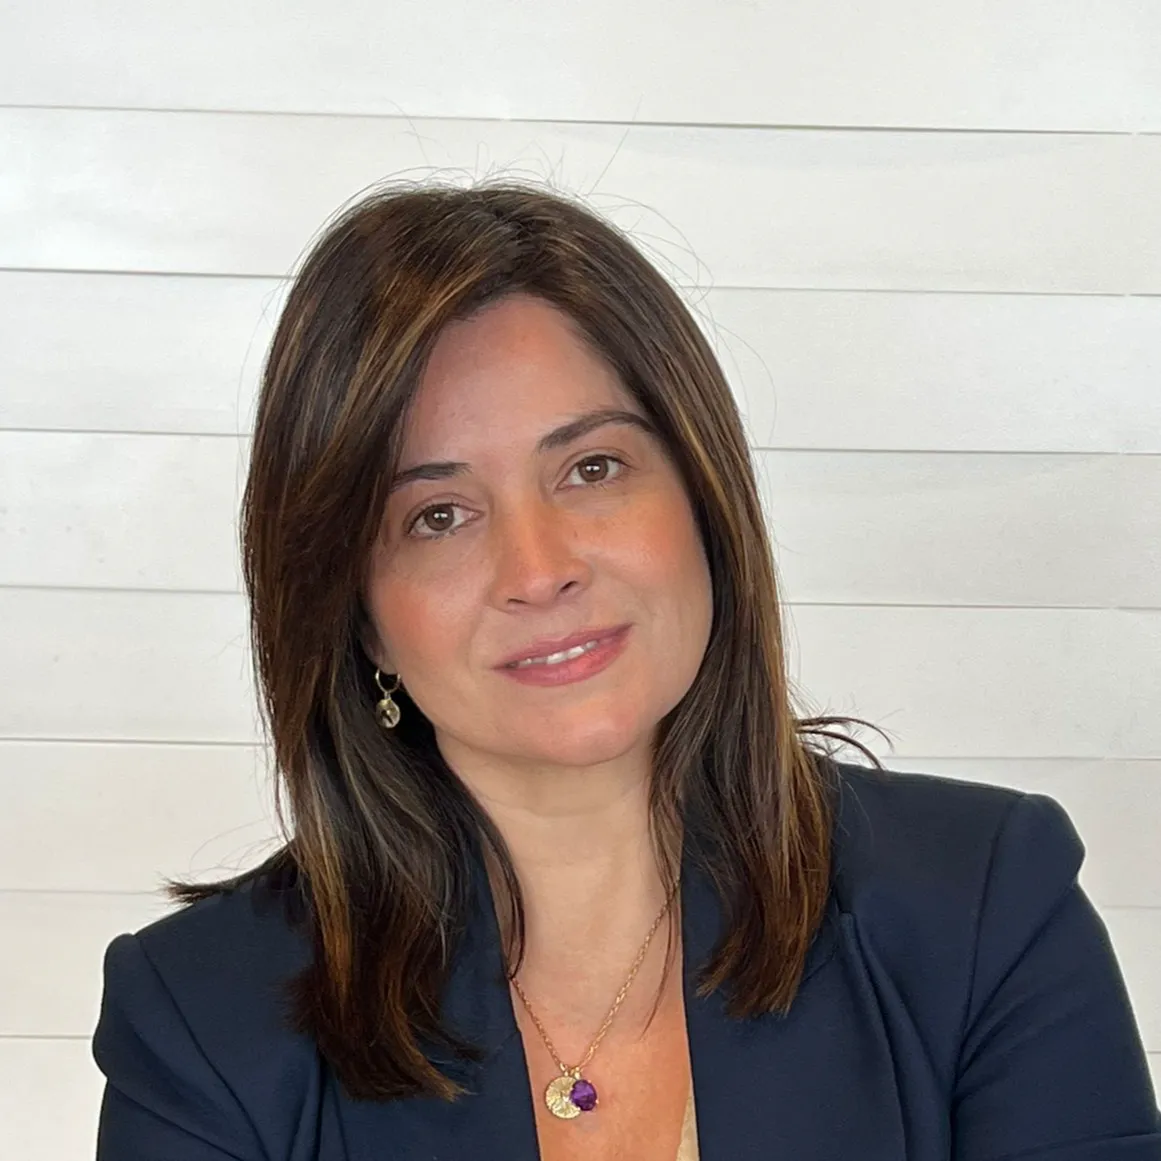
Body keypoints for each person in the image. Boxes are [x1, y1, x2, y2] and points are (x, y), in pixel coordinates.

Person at [92, 183, 1161, 1161]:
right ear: (356, 617)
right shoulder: (199, 1019)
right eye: (438, 516)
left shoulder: (984, 907)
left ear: (702, 496)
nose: (539, 568)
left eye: (591, 467)